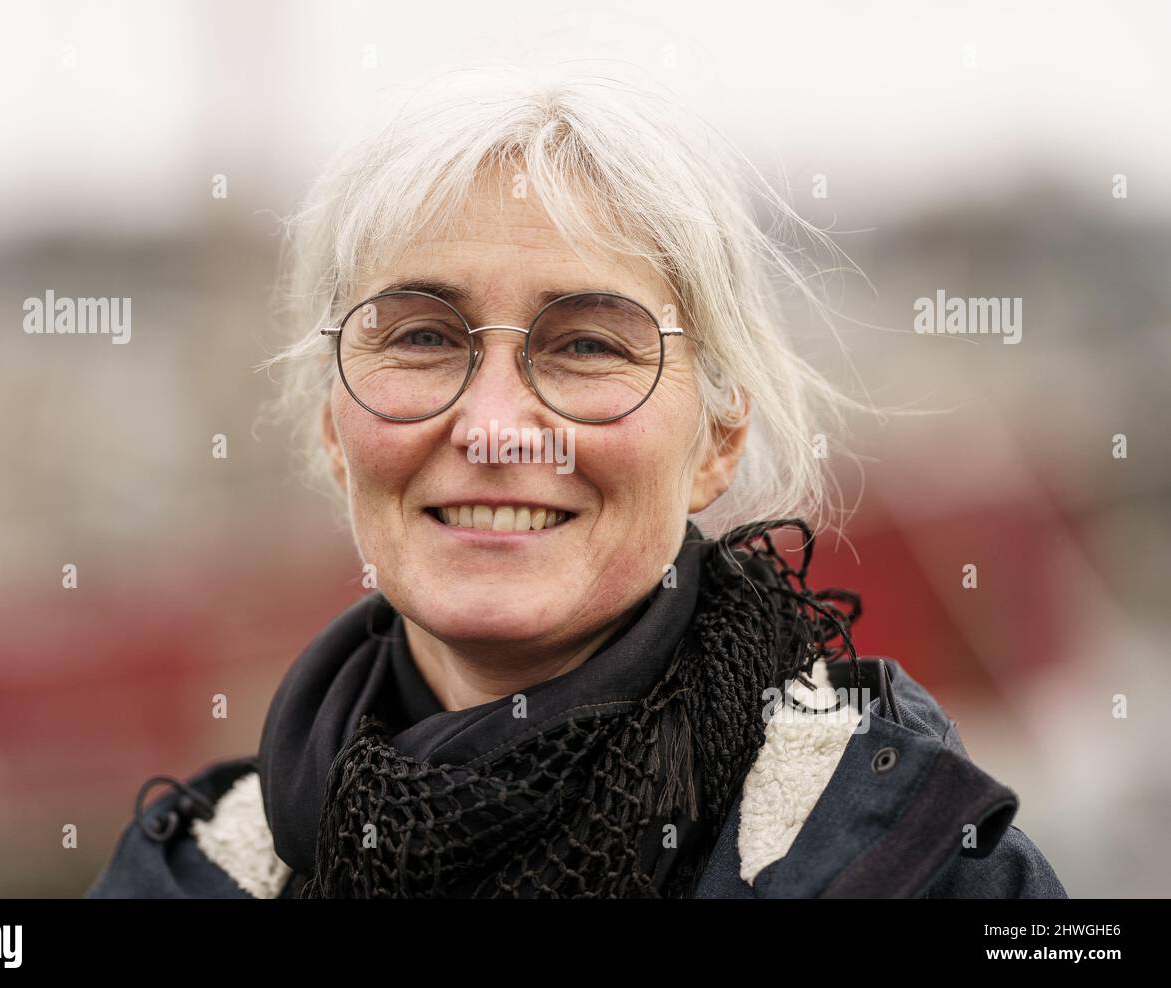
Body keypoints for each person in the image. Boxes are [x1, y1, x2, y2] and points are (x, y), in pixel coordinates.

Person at [86, 67, 1066, 899]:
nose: (496, 428)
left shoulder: (916, 861)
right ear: (333, 430)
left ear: (717, 442)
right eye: (423, 337)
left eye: (587, 344)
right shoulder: (189, 875)